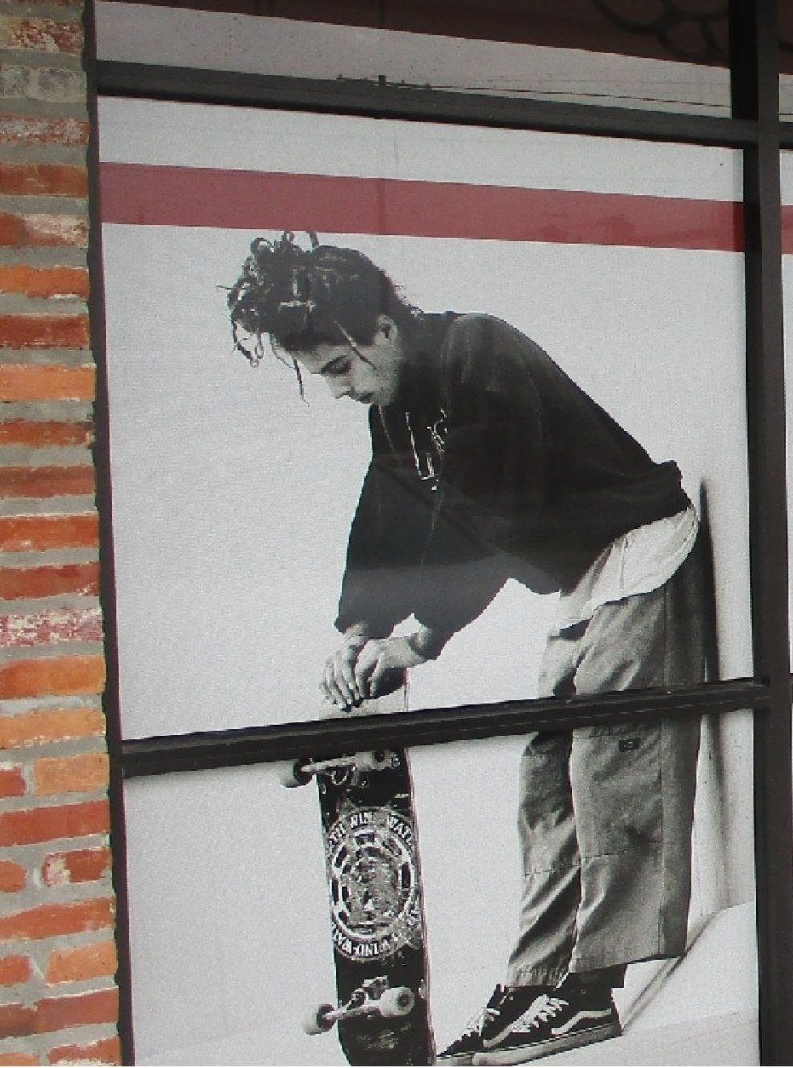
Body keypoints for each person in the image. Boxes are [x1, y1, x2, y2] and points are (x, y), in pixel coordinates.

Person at [225, 232, 715, 1065]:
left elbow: (501, 511)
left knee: (611, 767)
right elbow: (389, 510)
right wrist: (355, 629)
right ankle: (535, 978)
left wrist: (420, 637)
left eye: (341, 369)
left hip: (636, 550)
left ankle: (591, 990)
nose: (344, 391)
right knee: (544, 775)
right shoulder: (400, 402)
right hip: (577, 578)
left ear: (378, 328)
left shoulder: (477, 352)